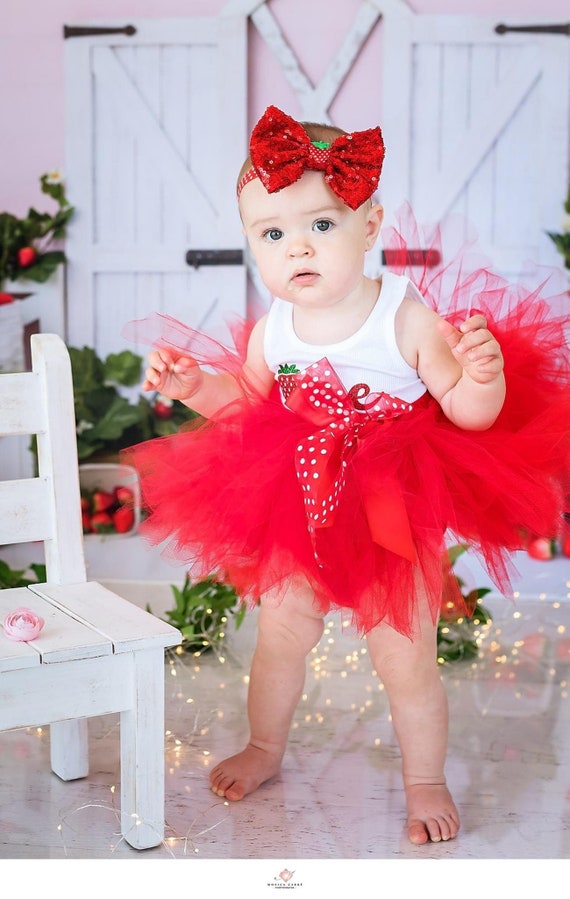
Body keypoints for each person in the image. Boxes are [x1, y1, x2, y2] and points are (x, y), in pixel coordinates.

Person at [124, 105, 570, 845]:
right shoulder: (276, 327)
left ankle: (425, 778)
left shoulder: (406, 317)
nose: (297, 247)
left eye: (321, 226)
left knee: (405, 657)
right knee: (279, 636)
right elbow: (247, 398)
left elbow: (466, 411)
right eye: (274, 234)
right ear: (253, 246)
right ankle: (266, 745)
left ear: (370, 225)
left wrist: (480, 377)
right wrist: (194, 385)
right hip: (297, 501)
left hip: (390, 504)